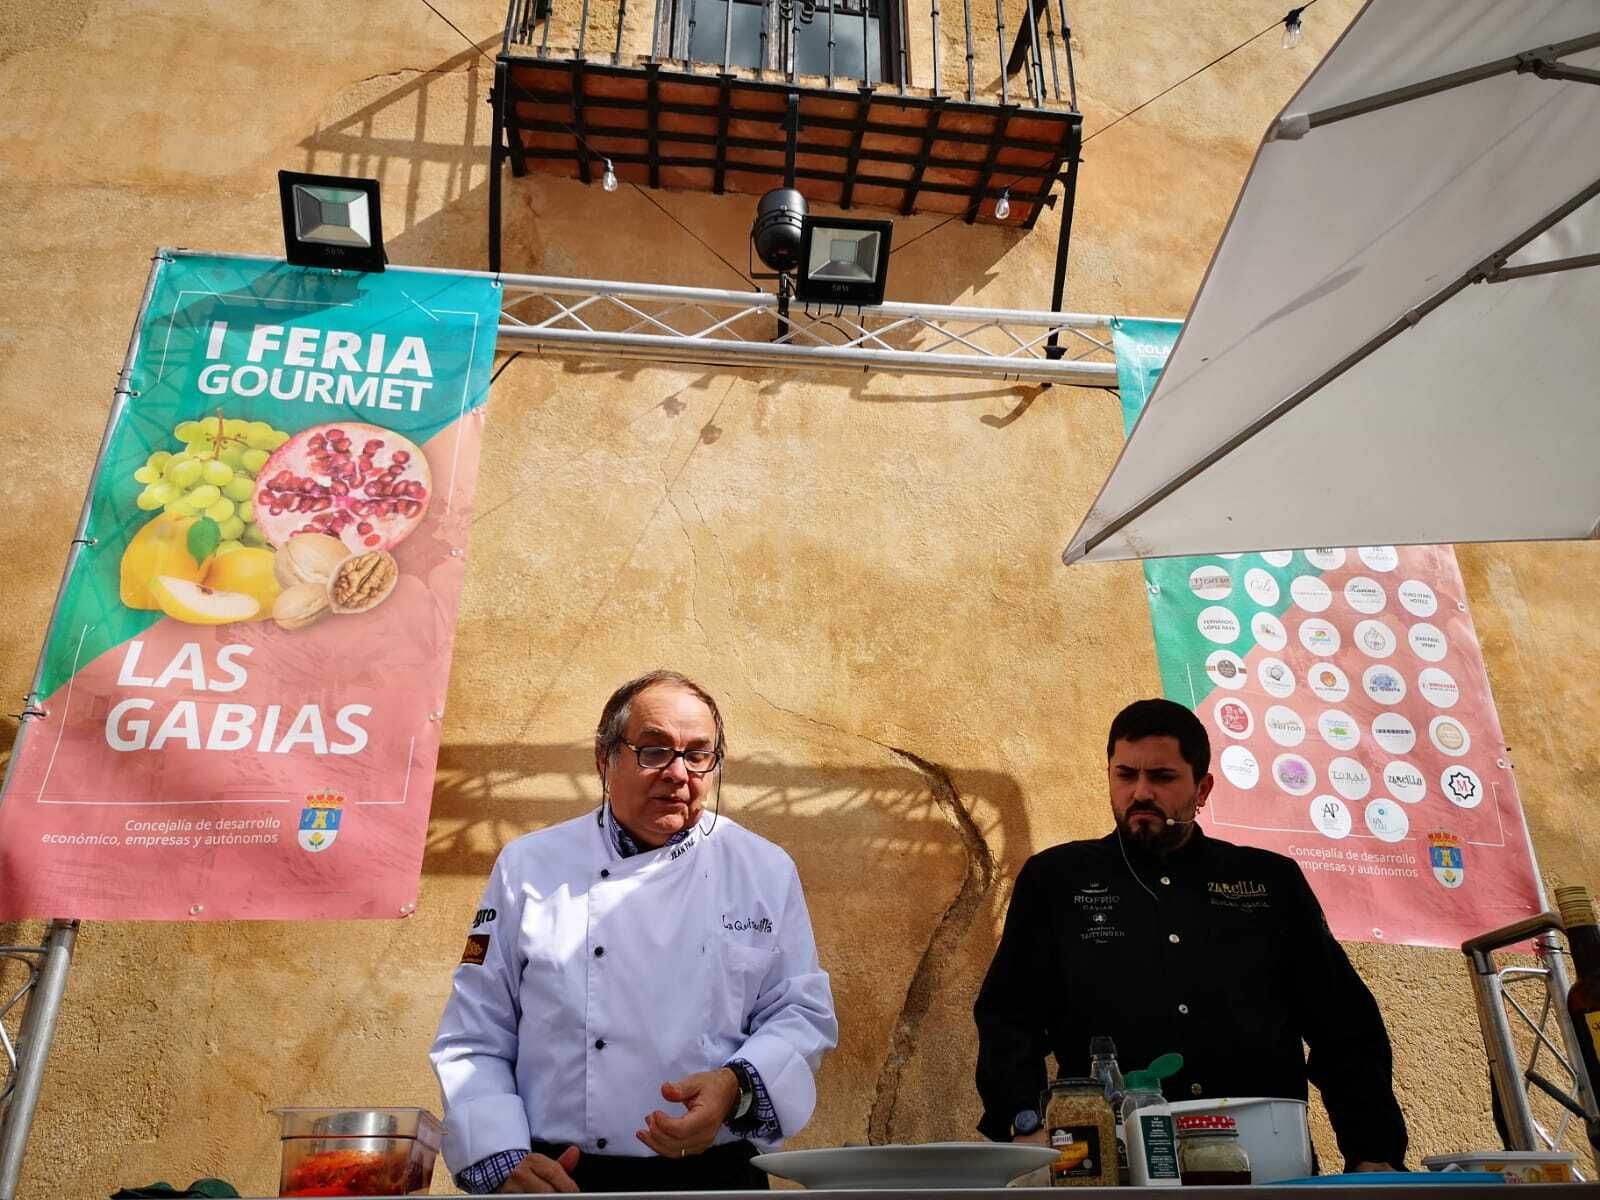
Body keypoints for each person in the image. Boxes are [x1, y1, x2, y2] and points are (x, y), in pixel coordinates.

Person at [432, 670, 838, 1194]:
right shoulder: (529, 867)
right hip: (563, 1178)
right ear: (605, 760)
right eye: (653, 751)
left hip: (713, 1176)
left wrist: (735, 1085)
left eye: (699, 754)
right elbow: (476, 1031)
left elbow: (800, 1012)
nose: (677, 773)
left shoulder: (763, 869)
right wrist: (498, 1154)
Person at [973, 697, 1407, 1173]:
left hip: (1261, 1160)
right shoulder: (1056, 879)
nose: (1140, 792)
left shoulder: (1269, 882)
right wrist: (1023, 1121)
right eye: (1125, 775)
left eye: (1162, 777)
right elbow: (1008, 1017)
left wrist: (1373, 1153)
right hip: (1107, 1163)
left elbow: (1345, 1027)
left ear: (1202, 788)